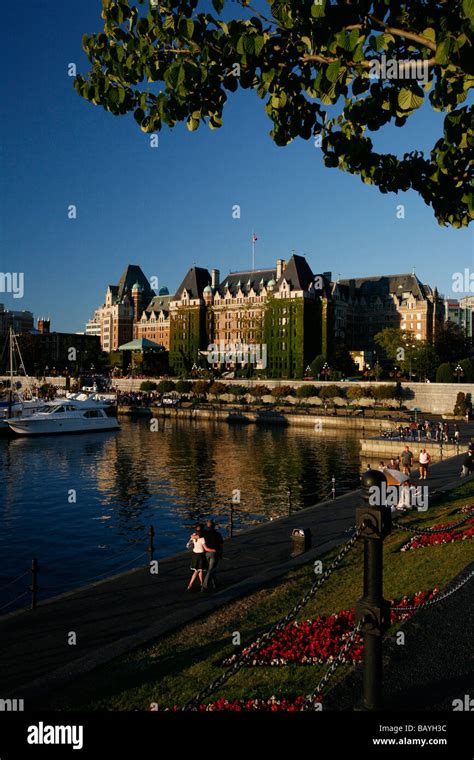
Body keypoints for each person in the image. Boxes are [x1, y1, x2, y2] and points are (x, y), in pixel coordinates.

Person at [186, 525, 216, 591]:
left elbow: (191, 540)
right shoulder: (202, 538)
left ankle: (201, 583)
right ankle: (190, 585)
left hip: (194, 555)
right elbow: (206, 548)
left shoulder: (193, 535)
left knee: (200, 570)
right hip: (200, 556)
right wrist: (214, 550)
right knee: (197, 571)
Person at [202, 519, 224, 591]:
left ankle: (215, 583)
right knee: (211, 569)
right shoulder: (217, 534)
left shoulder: (203, 534)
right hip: (214, 553)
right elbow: (221, 545)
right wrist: (220, 553)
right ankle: (204, 587)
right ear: (214, 526)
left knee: (210, 569)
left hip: (205, 553)